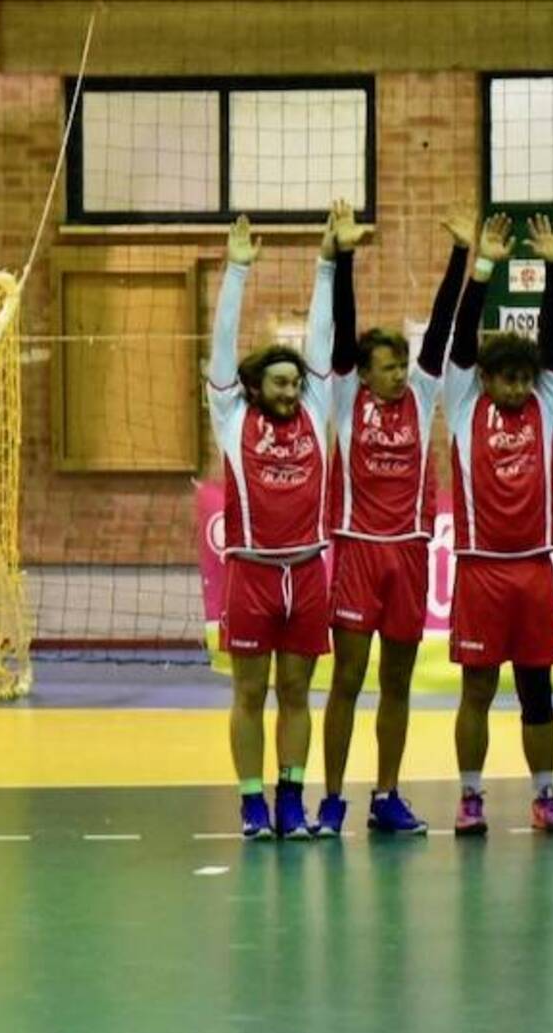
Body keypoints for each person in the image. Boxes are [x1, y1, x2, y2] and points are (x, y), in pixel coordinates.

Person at [316, 202, 471, 838]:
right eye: (387, 365)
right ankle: (330, 799)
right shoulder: (348, 395)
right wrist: (344, 255)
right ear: (365, 371)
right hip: (357, 551)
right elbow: (344, 328)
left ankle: (387, 794)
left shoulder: (422, 394)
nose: (399, 372)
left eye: (401, 364)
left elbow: (439, 333)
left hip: (408, 553)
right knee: (348, 679)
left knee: (398, 682)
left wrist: (463, 257)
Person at [207, 212, 337, 840]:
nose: (291, 391)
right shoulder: (232, 419)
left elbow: (322, 341)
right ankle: (252, 801)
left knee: (296, 692)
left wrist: (327, 262)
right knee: (249, 694)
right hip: (252, 576)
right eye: (278, 383)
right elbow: (221, 348)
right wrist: (236, 270)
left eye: (295, 383)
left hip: (307, 572)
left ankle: (292, 796)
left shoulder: (315, 411)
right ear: (254, 388)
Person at [445, 213, 553, 835]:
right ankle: (471, 797)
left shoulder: (547, 404)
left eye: (526, 378)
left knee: (537, 691)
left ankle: (545, 795)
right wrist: (484, 269)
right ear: (487, 380)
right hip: (480, 572)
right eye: (507, 378)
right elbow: (463, 339)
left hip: (534, 570)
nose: (519, 387)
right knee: (476, 690)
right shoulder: (464, 402)